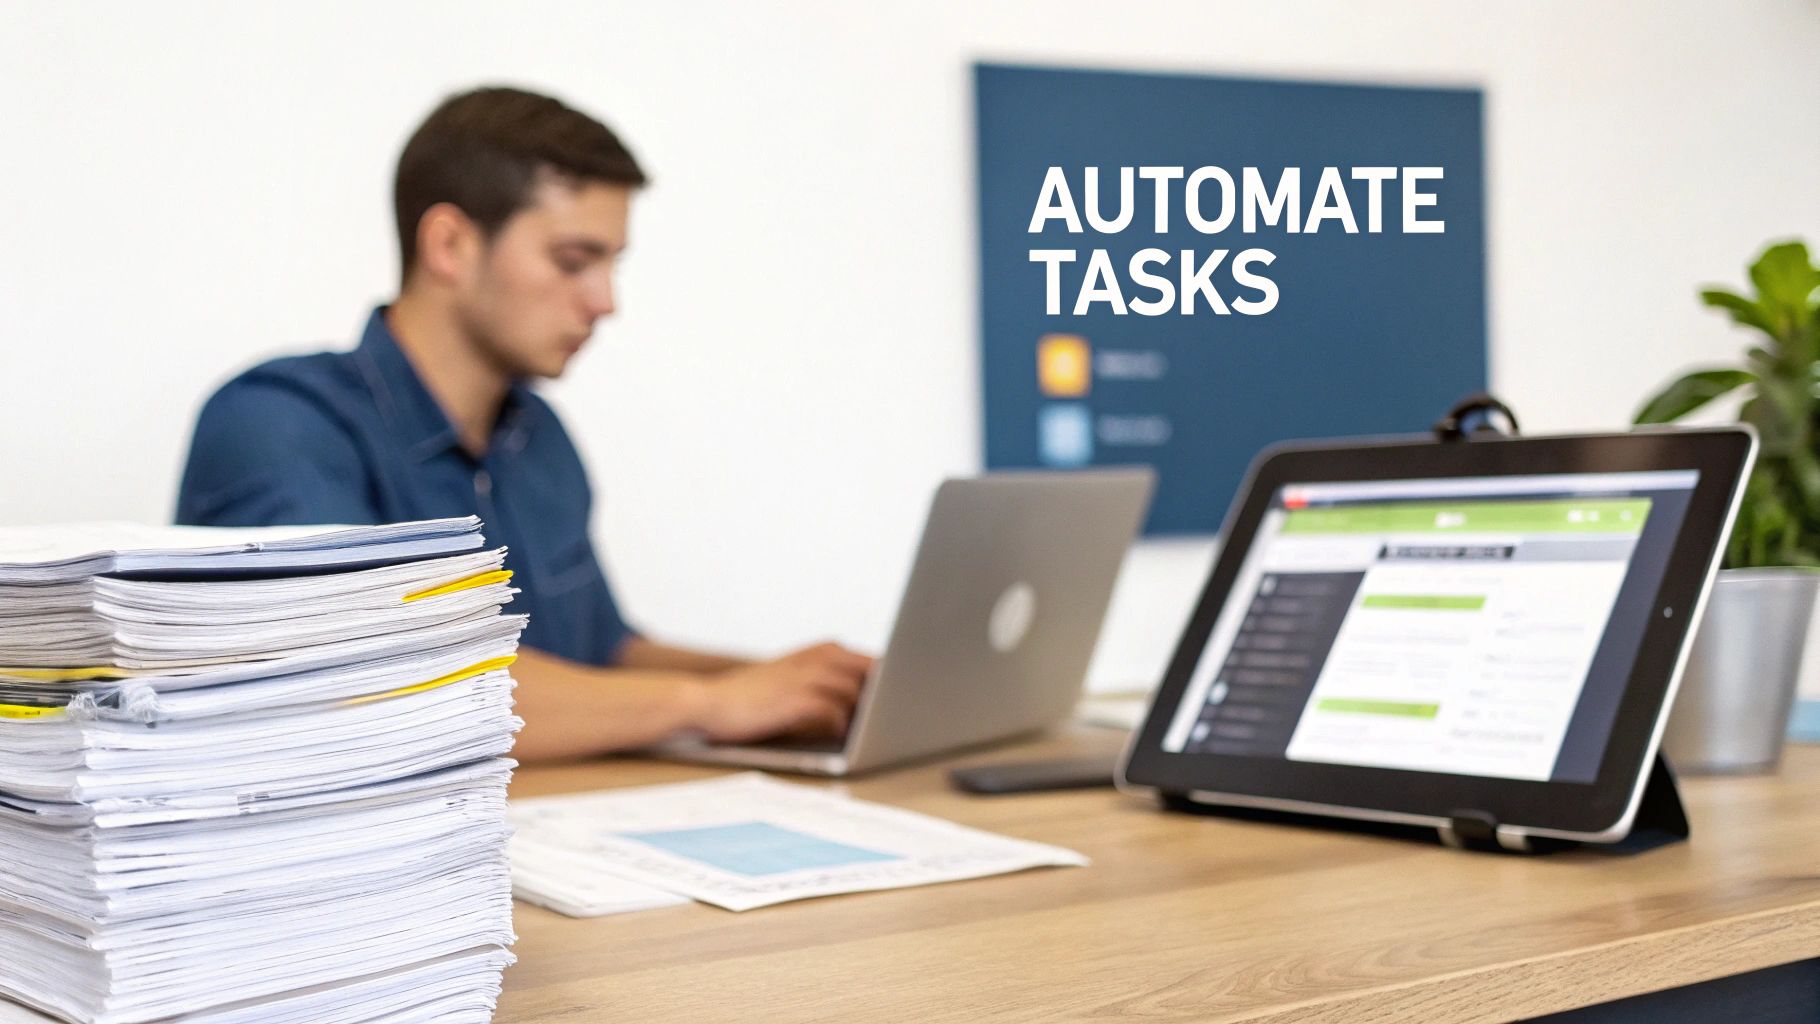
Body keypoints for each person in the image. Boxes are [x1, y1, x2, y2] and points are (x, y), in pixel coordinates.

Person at [176, 86, 871, 762]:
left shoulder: (539, 439)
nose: (605, 301)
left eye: (612, 264)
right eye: (574, 261)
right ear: (450, 245)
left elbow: (603, 656)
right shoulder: (277, 424)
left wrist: (814, 688)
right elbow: (385, 681)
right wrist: (711, 704)